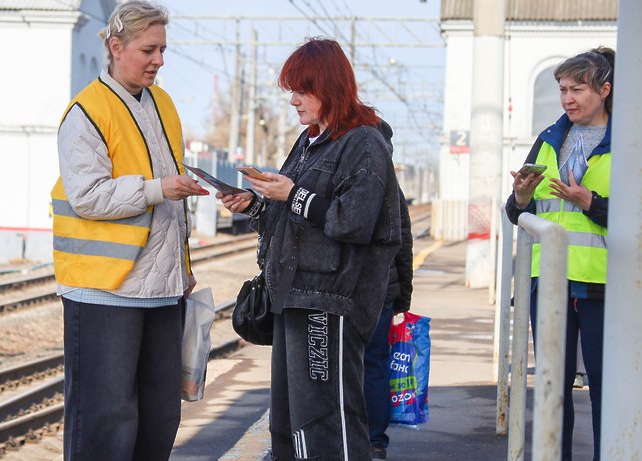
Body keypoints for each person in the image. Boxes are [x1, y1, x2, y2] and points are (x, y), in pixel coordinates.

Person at [218, 37, 402, 460]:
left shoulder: (364, 143)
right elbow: (298, 212)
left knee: (326, 422)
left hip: (331, 300)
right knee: (291, 422)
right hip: (296, 295)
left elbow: (353, 221)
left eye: (302, 90)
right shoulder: (310, 140)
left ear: (328, 86)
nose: (294, 101)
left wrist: (292, 195)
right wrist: (257, 203)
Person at [50, 1, 208, 460]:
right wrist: (158, 188)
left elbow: (170, 202)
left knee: (159, 417)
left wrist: (184, 266)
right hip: (104, 291)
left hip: (161, 290)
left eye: (162, 49)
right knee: (106, 419)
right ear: (116, 47)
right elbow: (88, 195)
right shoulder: (86, 113)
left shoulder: (164, 105)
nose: (159, 59)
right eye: (149, 50)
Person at [505, 46, 614, 461]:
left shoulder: (627, 142)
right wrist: (520, 197)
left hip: (603, 282)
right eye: (563, 89)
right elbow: (519, 213)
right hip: (548, 282)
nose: (568, 98)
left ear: (604, 90)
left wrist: (593, 203)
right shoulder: (549, 140)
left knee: (607, 385)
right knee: (553, 383)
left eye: (578, 89)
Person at [363, 188, 413, 461]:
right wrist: (403, 296)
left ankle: (345, 435)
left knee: (339, 366)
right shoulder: (391, 185)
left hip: (341, 289)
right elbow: (404, 243)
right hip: (382, 289)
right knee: (375, 364)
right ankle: (375, 442)